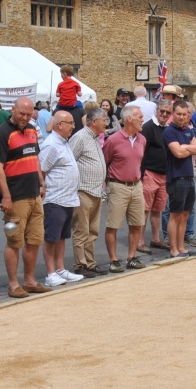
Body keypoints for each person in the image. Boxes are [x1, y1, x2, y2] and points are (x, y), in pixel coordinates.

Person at [0, 97, 51, 298]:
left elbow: (35, 159)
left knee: (34, 239)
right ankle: (13, 284)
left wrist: (41, 183)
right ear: (12, 110)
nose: (25, 117)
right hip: (15, 196)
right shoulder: (1, 134)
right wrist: (5, 196)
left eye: (28, 114)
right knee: (15, 241)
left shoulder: (32, 131)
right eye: (21, 113)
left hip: (34, 193)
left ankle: (30, 280)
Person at [38, 110, 83, 287]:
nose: (73, 126)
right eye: (70, 123)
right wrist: (42, 187)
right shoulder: (51, 145)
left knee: (62, 236)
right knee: (51, 237)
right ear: (59, 125)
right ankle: (50, 273)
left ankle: (60, 268)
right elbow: (41, 169)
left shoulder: (64, 142)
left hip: (67, 198)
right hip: (54, 198)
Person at [103, 105, 147, 272]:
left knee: (137, 224)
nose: (143, 120)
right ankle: (113, 259)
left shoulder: (142, 139)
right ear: (129, 119)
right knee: (113, 225)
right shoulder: (113, 140)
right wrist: (106, 186)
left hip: (137, 186)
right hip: (118, 186)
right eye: (140, 117)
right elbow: (105, 163)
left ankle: (131, 257)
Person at [70, 108, 109, 278]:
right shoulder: (80, 137)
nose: (106, 123)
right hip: (83, 190)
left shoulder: (94, 138)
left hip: (95, 190)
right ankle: (80, 264)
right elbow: (69, 161)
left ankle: (90, 263)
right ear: (95, 121)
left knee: (92, 230)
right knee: (81, 229)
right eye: (104, 120)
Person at [164, 100, 196, 258]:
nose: (181, 117)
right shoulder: (169, 132)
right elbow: (178, 154)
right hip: (176, 178)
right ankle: (173, 249)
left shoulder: (188, 130)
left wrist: (185, 147)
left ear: (189, 114)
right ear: (173, 113)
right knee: (175, 215)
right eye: (178, 114)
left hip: (189, 176)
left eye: (184, 114)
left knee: (185, 214)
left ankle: (181, 248)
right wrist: (189, 148)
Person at [140, 100, 172, 252]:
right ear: (157, 111)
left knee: (157, 209)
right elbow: (142, 153)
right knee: (145, 210)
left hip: (164, 175)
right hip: (150, 173)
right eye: (162, 111)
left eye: (168, 112)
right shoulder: (147, 127)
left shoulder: (168, 129)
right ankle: (139, 242)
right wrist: (141, 174)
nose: (164, 114)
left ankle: (155, 239)